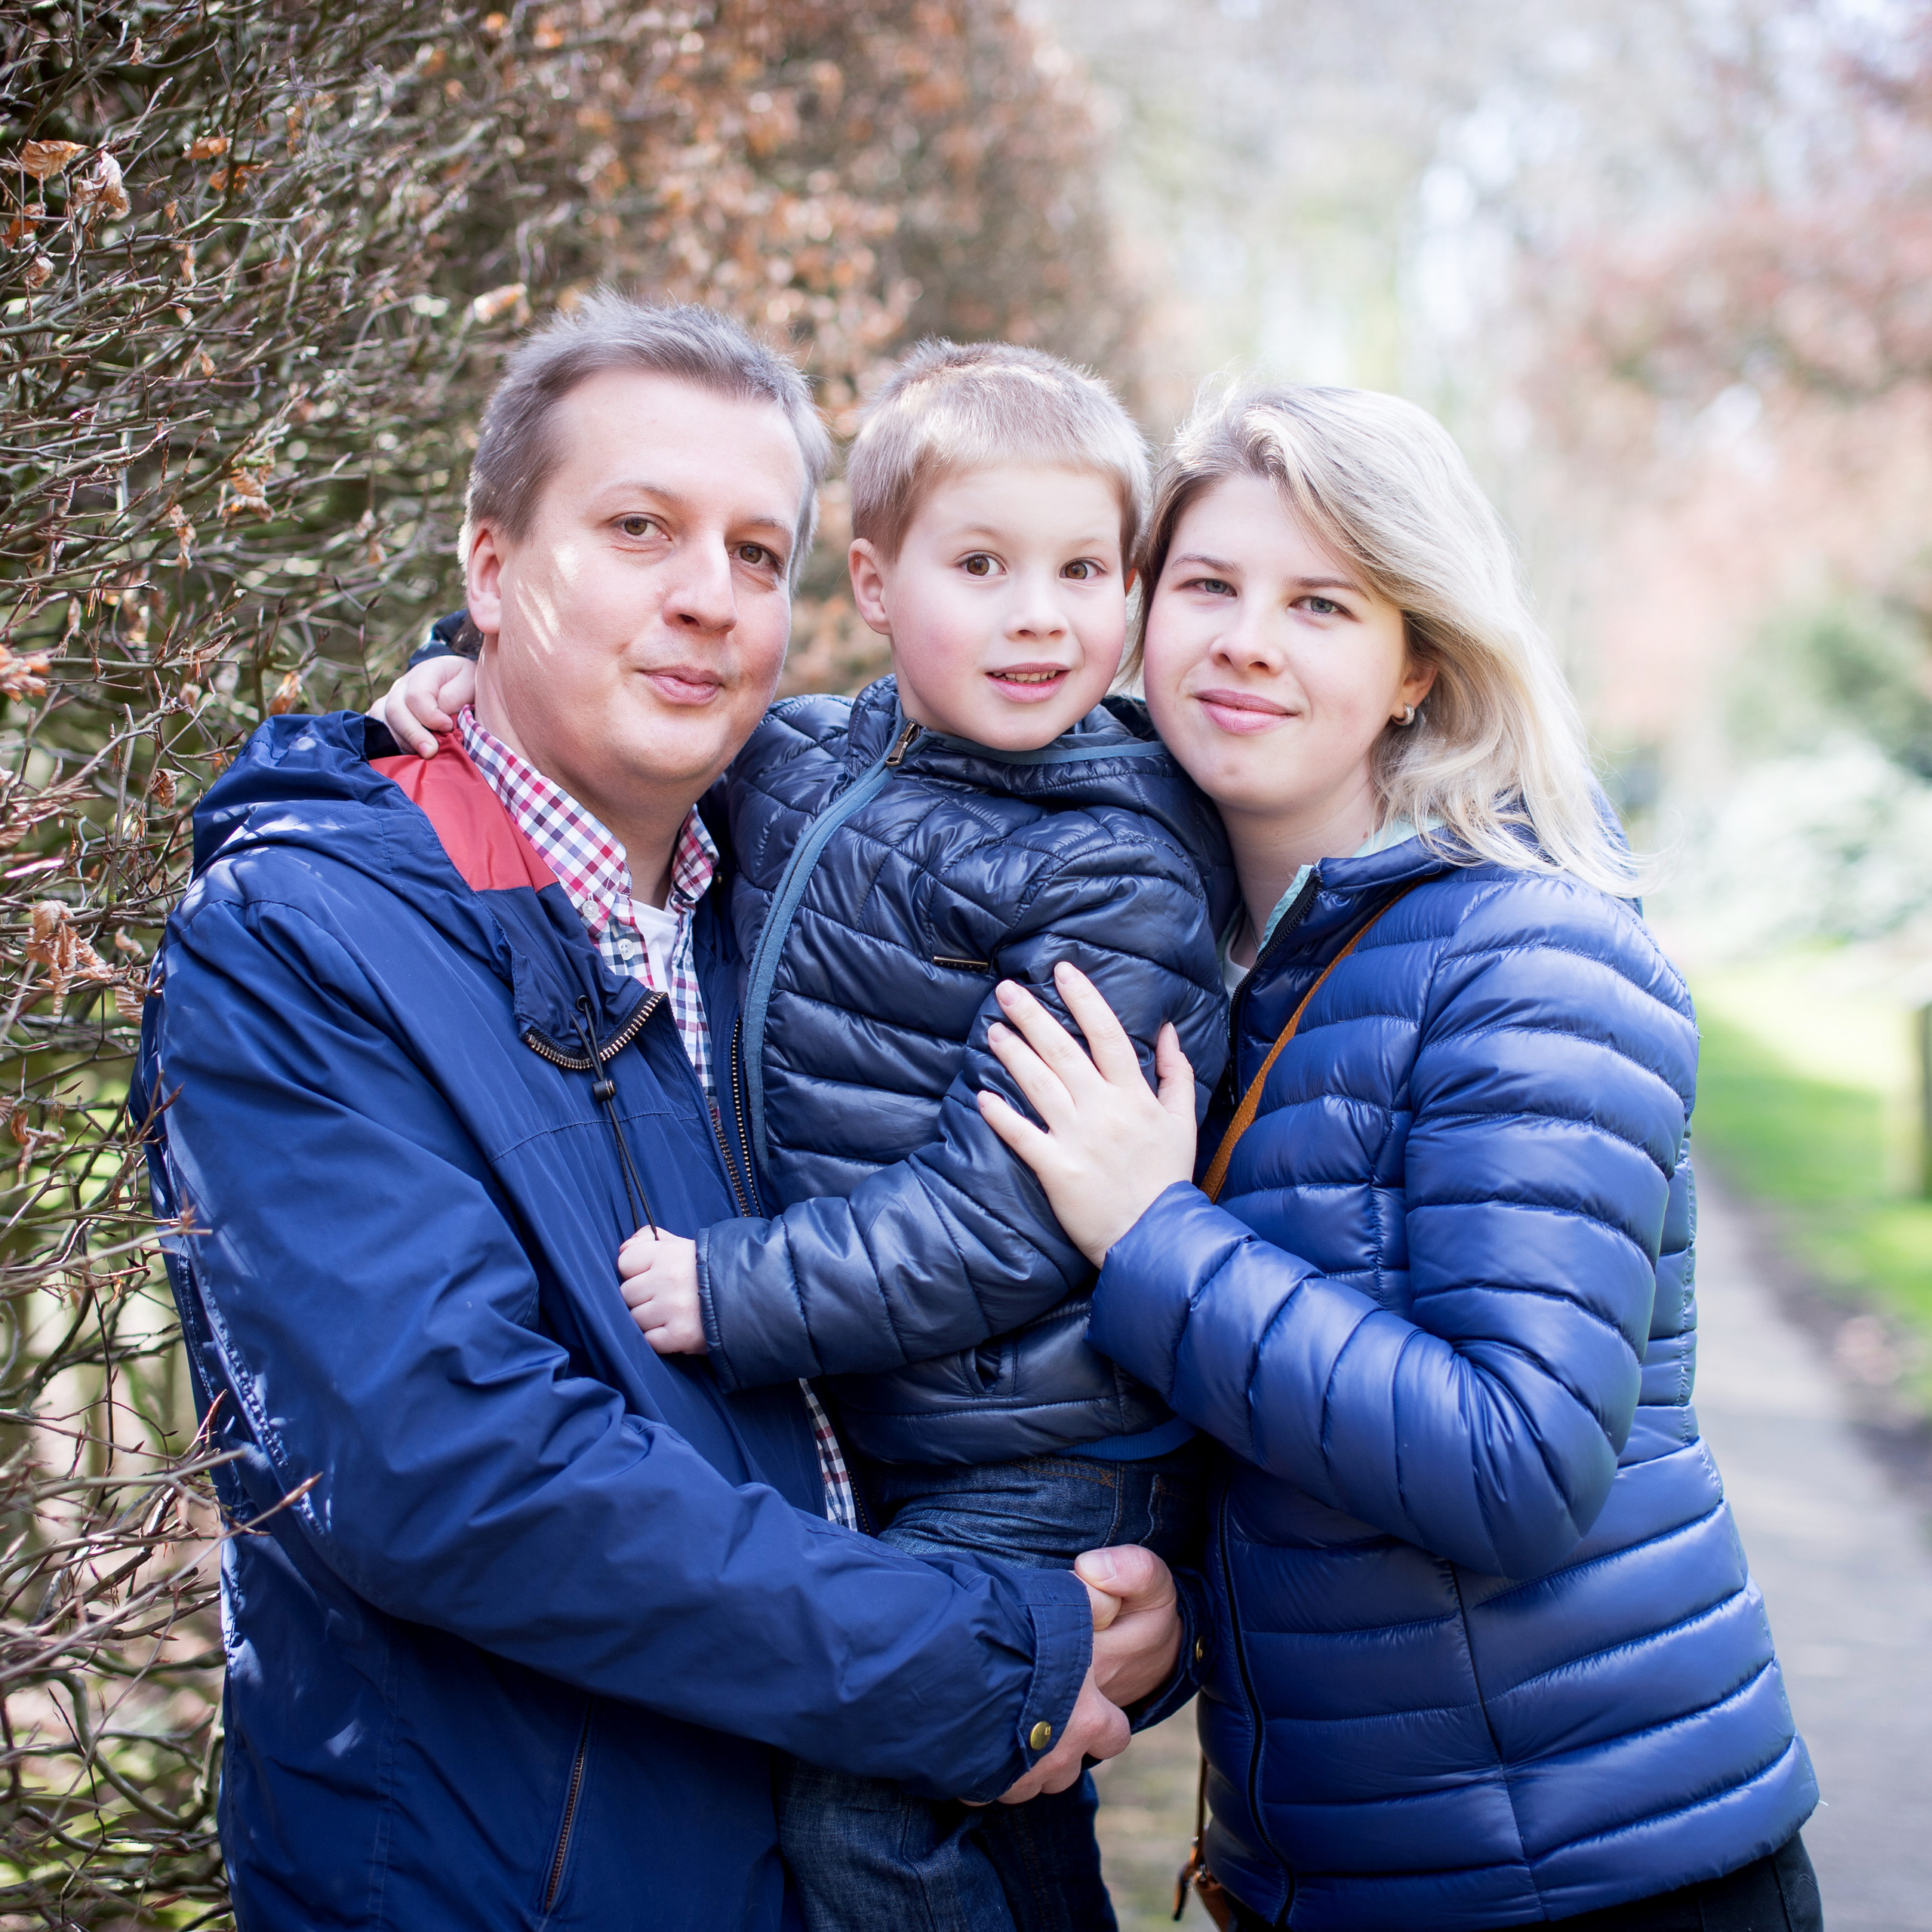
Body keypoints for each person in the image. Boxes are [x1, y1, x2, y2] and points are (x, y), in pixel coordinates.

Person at [134, 297, 1185, 1932]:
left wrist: (1111, 1592)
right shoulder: (303, 938)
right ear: (489, 570)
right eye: (638, 530)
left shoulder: (774, 888)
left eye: (755, 553)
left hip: (894, 1825)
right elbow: (456, 1472)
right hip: (530, 1884)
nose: (706, 596)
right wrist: (991, 1648)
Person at [974, 385, 1823, 1930]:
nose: (1244, 638)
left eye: (1318, 602)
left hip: (1595, 1886)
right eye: (1208, 584)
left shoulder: (1532, 958)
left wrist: (1148, 1232)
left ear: (1413, 662)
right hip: (1340, 1877)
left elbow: (1511, 1465)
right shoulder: (1208, 949)